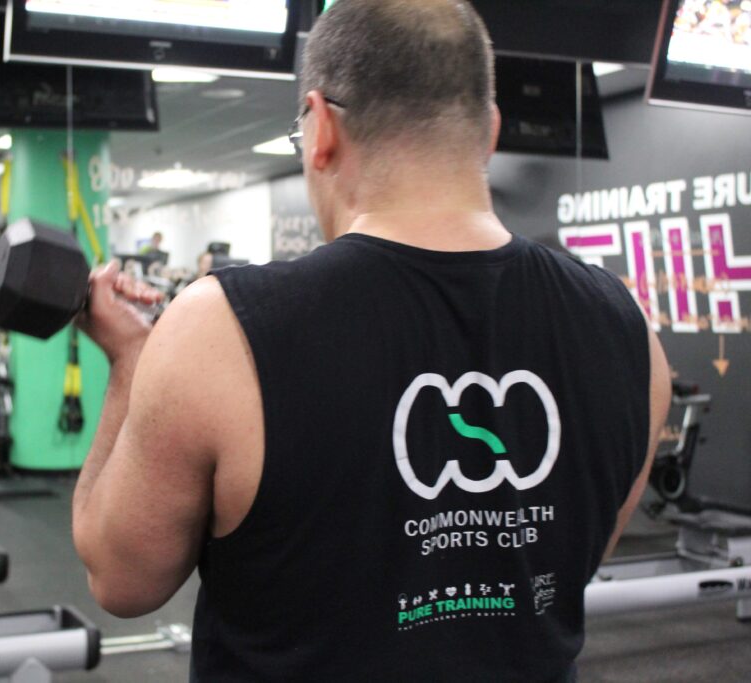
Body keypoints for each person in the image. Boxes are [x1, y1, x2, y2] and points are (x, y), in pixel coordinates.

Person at [71, 1, 671, 680]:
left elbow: (120, 580)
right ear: (491, 130)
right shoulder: (629, 330)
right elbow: (573, 556)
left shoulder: (219, 329)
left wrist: (129, 360)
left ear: (320, 126)